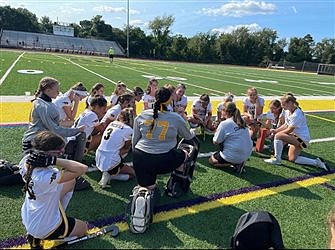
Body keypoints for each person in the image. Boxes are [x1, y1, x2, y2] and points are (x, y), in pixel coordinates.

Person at [130, 87, 196, 231]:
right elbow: (189, 137)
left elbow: (134, 142)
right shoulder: (175, 117)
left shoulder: (141, 115)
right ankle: (176, 181)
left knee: (150, 187)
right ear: (169, 99)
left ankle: (144, 196)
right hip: (163, 159)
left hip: (140, 156)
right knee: (186, 152)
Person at [19, 131, 88, 248]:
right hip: (45, 227)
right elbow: (82, 169)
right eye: (59, 151)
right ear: (46, 154)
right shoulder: (47, 176)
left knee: (70, 182)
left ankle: (54, 219)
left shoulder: (26, 161)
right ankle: (51, 236)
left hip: (29, 216)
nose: (62, 153)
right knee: (83, 229)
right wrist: (54, 161)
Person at [264, 93, 329, 171]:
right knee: (292, 158)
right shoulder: (288, 111)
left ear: (290, 103)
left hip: (302, 139)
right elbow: (286, 124)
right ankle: (317, 162)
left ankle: (277, 159)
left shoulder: (296, 114)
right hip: (297, 137)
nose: (282, 107)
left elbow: (289, 129)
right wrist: (276, 130)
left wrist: (277, 133)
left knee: (278, 136)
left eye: (284, 105)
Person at [22, 77, 85, 154]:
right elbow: (55, 130)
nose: (58, 92)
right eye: (57, 90)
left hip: (37, 139)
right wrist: (77, 130)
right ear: (48, 90)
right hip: (35, 143)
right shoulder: (45, 107)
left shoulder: (40, 102)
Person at [96, 108, 136, 188]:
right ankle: (111, 175)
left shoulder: (112, 123)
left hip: (99, 155)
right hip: (110, 159)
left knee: (117, 148)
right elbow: (126, 147)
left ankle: (110, 170)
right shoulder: (128, 129)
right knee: (133, 174)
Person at [208, 102, 253, 173]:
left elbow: (216, 141)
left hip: (235, 154)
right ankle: (238, 162)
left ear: (225, 111)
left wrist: (217, 131)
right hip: (247, 154)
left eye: (222, 110)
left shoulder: (224, 123)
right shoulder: (241, 120)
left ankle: (234, 163)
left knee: (211, 161)